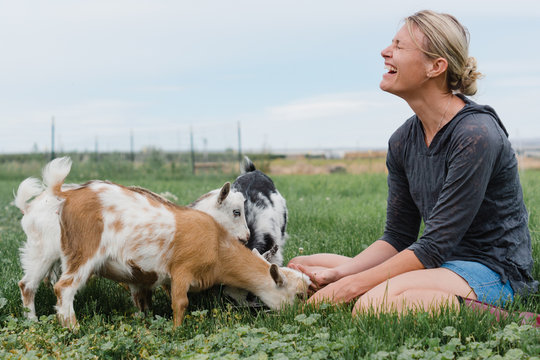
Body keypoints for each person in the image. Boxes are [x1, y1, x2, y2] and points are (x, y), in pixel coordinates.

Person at [288, 10, 538, 315]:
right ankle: (391, 286)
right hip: (438, 261)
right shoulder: (402, 140)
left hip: (491, 270)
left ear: (436, 66)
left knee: (371, 305)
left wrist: (353, 285)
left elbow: (433, 244)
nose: (385, 51)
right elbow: (397, 237)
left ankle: (519, 320)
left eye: (399, 46)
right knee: (305, 266)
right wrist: (340, 275)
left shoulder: (476, 135)